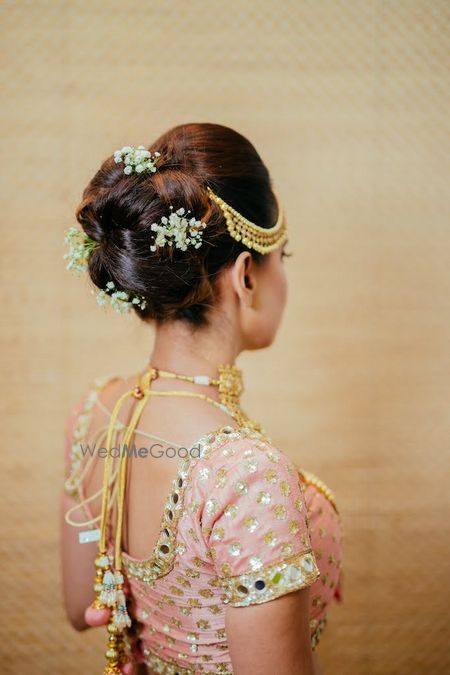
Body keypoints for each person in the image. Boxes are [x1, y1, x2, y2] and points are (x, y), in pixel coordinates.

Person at [60, 123, 343, 675]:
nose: (284, 274)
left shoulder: (97, 412)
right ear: (246, 276)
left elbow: (82, 607)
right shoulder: (246, 473)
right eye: (284, 255)